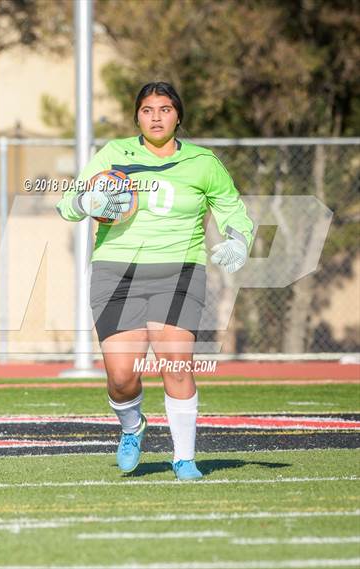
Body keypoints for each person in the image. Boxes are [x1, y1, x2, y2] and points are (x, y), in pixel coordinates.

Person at [56, 82, 253, 481]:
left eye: (165, 109)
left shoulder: (203, 162)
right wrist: (85, 202)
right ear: (137, 116)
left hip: (179, 272)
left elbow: (232, 209)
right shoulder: (114, 154)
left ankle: (184, 459)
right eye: (147, 110)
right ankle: (132, 427)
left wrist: (239, 239)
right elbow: (69, 204)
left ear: (178, 115)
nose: (156, 117)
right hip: (117, 272)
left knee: (175, 364)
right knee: (122, 377)